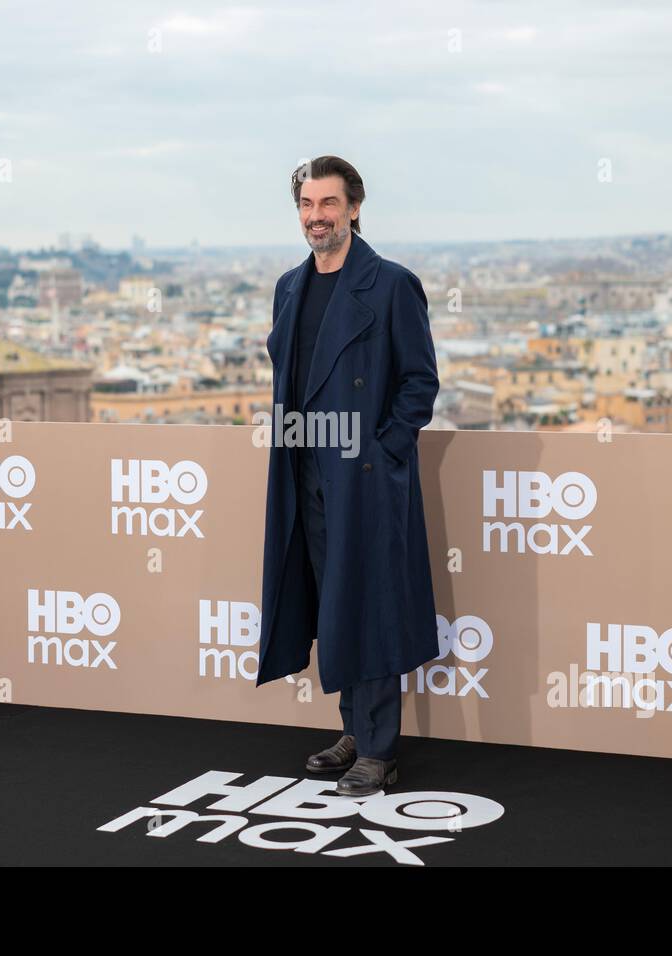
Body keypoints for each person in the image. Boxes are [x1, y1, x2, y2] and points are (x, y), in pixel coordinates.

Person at [257, 155, 441, 797]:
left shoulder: (392, 284)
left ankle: (382, 750)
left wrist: (384, 452)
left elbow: (420, 382)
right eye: (307, 206)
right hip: (303, 467)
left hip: (362, 476)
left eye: (328, 205)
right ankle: (354, 733)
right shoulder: (288, 286)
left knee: (371, 605)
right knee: (331, 603)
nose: (316, 217)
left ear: (354, 208)